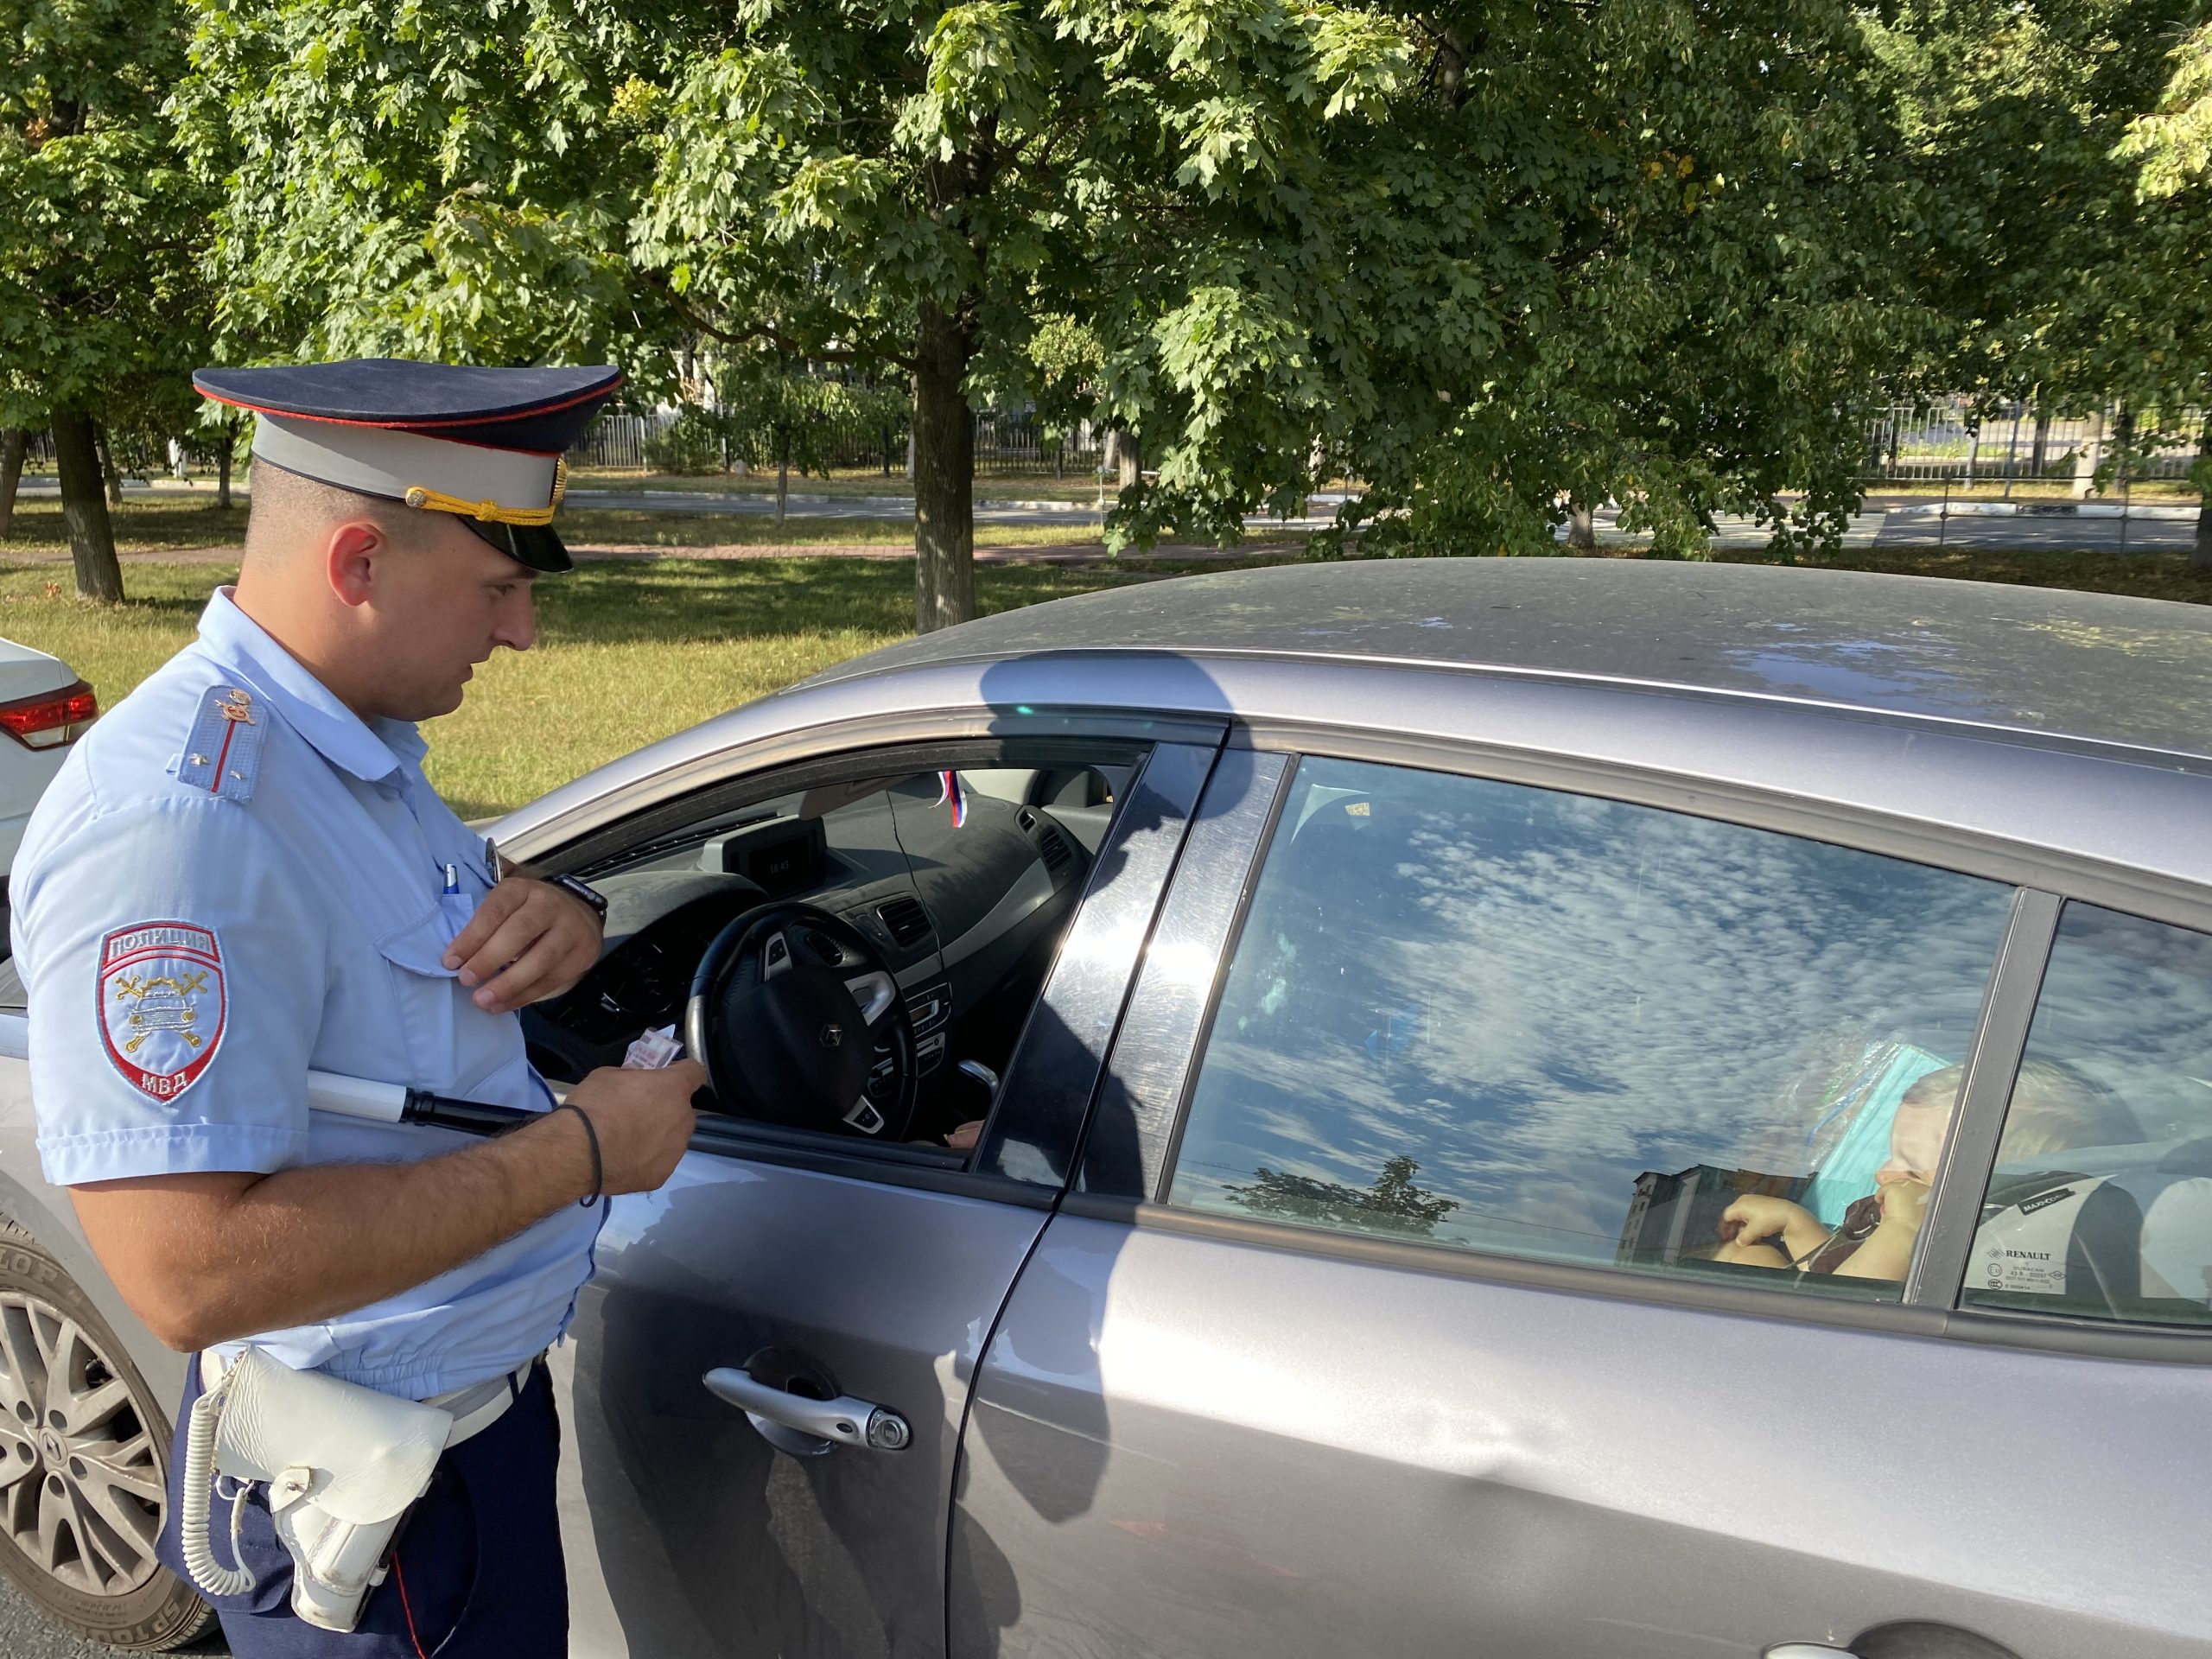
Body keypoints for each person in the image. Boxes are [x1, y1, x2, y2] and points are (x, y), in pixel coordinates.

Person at [9, 359, 704, 1656]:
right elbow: (190, 1270)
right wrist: (589, 1153)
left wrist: (559, 910)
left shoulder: (343, 747)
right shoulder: (182, 824)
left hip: (452, 1444)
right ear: (358, 563)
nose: (522, 634)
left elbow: (378, 949)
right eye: (498, 589)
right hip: (376, 1510)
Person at [1714, 1059, 2139, 1280]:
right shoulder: (1897, 1215)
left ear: (1997, 1192)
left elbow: (1853, 1307)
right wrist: (1797, 1224)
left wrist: (1903, 1232)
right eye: (1892, 1155)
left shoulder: (1943, 1245)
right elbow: (1835, 1277)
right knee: (1746, 1253)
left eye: (1913, 1171)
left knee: (1745, 1268)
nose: (1884, 1173)